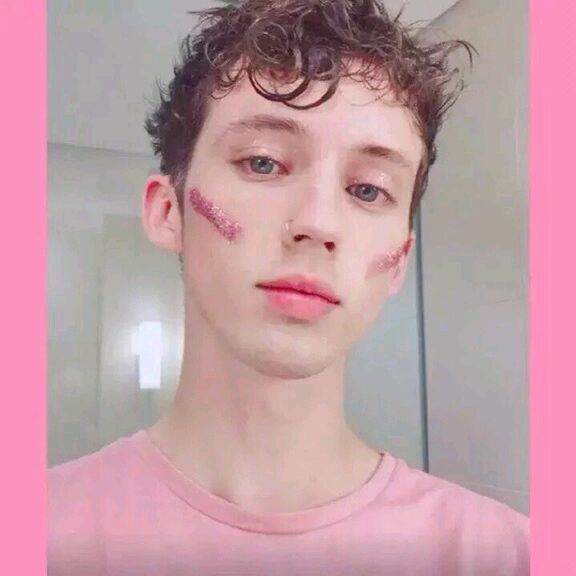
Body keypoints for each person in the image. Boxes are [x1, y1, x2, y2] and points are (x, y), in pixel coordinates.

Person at [48, 1, 529, 574]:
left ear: (400, 259)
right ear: (167, 211)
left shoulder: (510, 556)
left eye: (369, 190)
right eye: (263, 163)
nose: (318, 223)